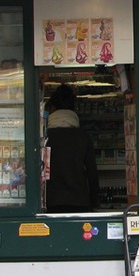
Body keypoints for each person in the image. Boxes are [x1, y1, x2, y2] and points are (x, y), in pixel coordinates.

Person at [45, 85, 100, 213]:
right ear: (74, 108)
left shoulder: (45, 137)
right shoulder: (82, 136)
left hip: (50, 201)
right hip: (79, 200)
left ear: (52, 108)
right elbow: (92, 172)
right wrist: (94, 201)